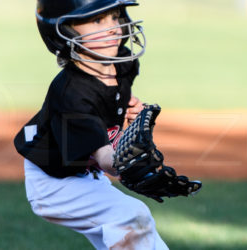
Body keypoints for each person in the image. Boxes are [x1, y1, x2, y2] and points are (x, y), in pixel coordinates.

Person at [14, 0, 169, 249]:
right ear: (64, 31)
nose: (113, 28)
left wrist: (123, 111)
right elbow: (108, 160)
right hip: (53, 184)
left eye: (115, 16)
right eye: (97, 19)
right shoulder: (71, 93)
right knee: (132, 215)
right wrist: (132, 163)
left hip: (84, 174)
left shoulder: (122, 62)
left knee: (131, 231)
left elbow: (108, 105)